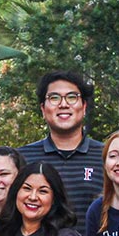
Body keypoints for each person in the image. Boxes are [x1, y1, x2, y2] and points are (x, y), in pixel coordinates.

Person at [16, 70, 105, 223]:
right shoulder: (22, 157)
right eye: (54, 98)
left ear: (84, 107)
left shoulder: (107, 156)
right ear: (43, 109)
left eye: (72, 97)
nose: (63, 104)